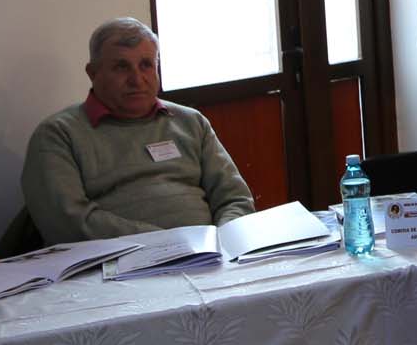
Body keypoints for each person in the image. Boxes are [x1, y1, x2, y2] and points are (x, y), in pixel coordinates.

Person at [21, 19, 255, 244]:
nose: (137, 79)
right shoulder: (58, 135)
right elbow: (67, 222)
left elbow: (235, 199)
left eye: (146, 65)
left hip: (209, 256)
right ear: (93, 73)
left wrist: (225, 242)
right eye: (121, 67)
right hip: (120, 263)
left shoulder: (191, 122)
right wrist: (166, 244)